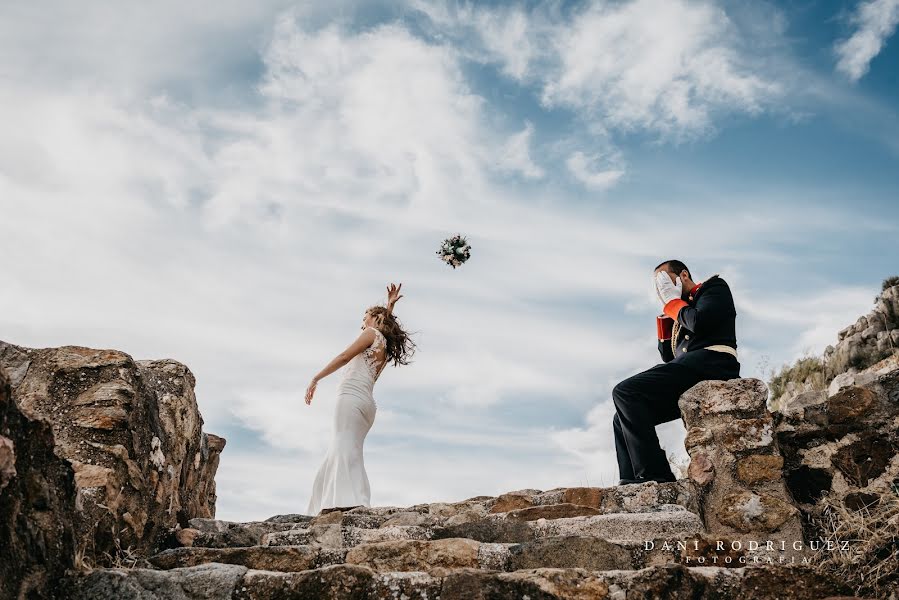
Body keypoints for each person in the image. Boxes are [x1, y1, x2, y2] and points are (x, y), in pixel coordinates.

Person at [612, 260, 740, 485]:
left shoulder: (713, 287)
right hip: (690, 368)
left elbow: (700, 322)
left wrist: (673, 303)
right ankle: (629, 479)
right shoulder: (682, 309)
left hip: (713, 362)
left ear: (683, 275)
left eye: (665, 281)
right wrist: (668, 314)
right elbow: (669, 356)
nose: (662, 288)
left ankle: (654, 474)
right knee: (623, 414)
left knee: (625, 391)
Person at [304, 283, 415, 514]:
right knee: (347, 447)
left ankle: (345, 501)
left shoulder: (371, 333)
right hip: (367, 405)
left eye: (364, 317)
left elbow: (345, 356)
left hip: (351, 397)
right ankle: (337, 500)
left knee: (343, 446)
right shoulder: (385, 345)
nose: (362, 322)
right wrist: (389, 307)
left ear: (374, 319)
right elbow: (381, 327)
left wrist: (316, 377)